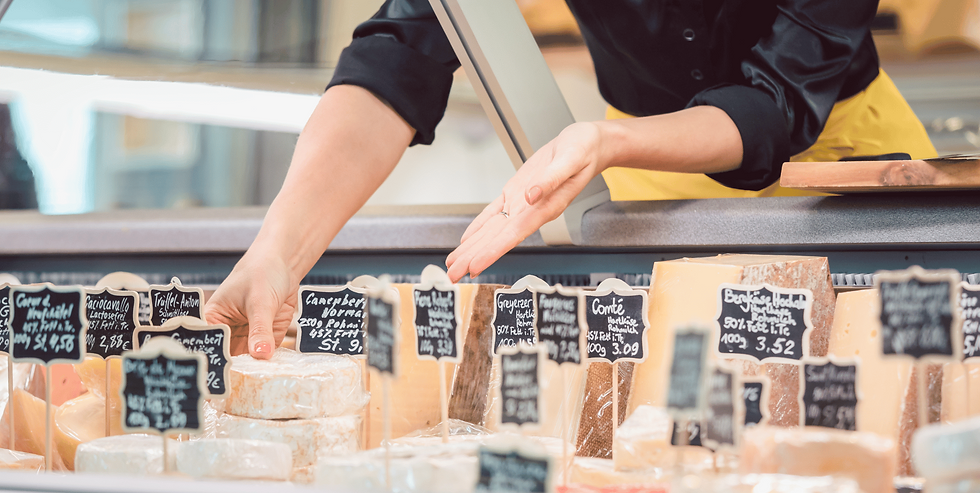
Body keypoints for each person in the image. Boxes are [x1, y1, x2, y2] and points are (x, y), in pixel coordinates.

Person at [205, 0, 936, 358]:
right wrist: (280, 249)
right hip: (655, 182)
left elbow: (777, 103)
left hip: (843, 175)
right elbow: (403, 51)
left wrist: (609, 140)